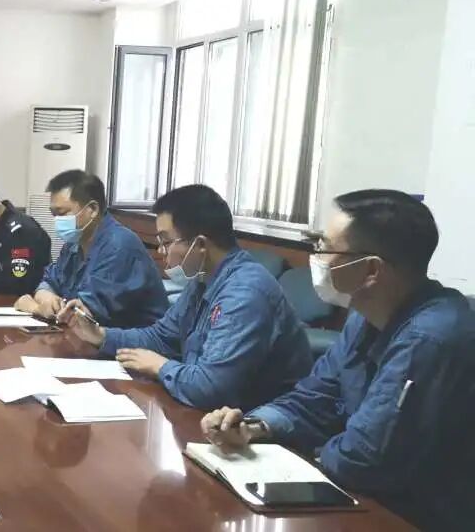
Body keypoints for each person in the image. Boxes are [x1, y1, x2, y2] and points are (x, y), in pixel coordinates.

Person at [201, 190, 475, 530]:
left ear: (371, 269)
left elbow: (364, 459)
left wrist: (315, 451)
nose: (316, 258)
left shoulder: (431, 338)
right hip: (365, 497)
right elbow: (315, 397)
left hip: (415, 516)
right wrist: (252, 427)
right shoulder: (364, 317)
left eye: (325, 248)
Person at [66, 184, 311, 411]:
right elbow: (162, 337)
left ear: (200, 244)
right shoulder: (204, 279)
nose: (161, 251)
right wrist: (101, 336)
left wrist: (160, 366)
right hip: (214, 417)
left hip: (258, 425)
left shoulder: (245, 293)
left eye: (166, 241)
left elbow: (211, 388)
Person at [14, 170, 168, 327]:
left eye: (62, 213)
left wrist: (33, 307)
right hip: (88, 335)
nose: (57, 221)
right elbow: (49, 280)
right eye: (54, 215)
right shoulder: (74, 243)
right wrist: (45, 297)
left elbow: (83, 314)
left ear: (93, 209)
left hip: (131, 339)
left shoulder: (119, 245)